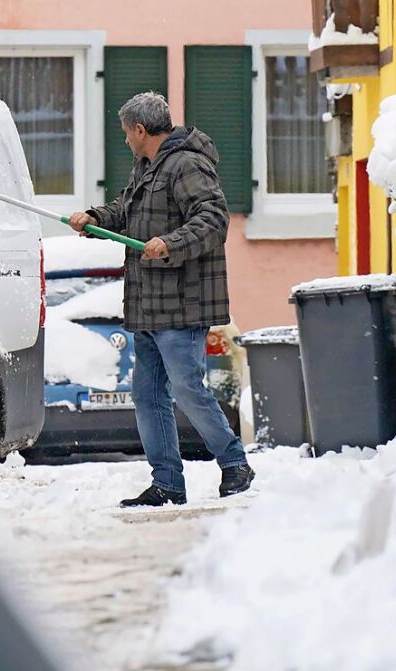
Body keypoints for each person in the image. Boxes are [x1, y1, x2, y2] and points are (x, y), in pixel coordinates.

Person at [69, 92, 254, 507]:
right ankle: (168, 483)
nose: (126, 141)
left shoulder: (186, 163)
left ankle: (235, 463)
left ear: (140, 129)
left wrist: (170, 244)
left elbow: (213, 219)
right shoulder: (147, 167)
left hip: (182, 302)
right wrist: (96, 218)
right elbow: (127, 210)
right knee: (148, 396)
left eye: (126, 133)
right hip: (148, 304)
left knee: (188, 390)